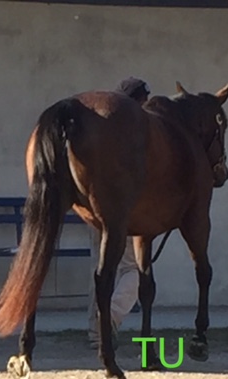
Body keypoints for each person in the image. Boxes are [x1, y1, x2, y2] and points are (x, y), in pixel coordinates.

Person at [87, 77, 151, 348]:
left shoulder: (101, 129)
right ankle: (107, 321)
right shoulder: (134, 130)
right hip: (124, 211)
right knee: (134, 270)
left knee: (101, 268)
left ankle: (94, 331)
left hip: (94, 209)